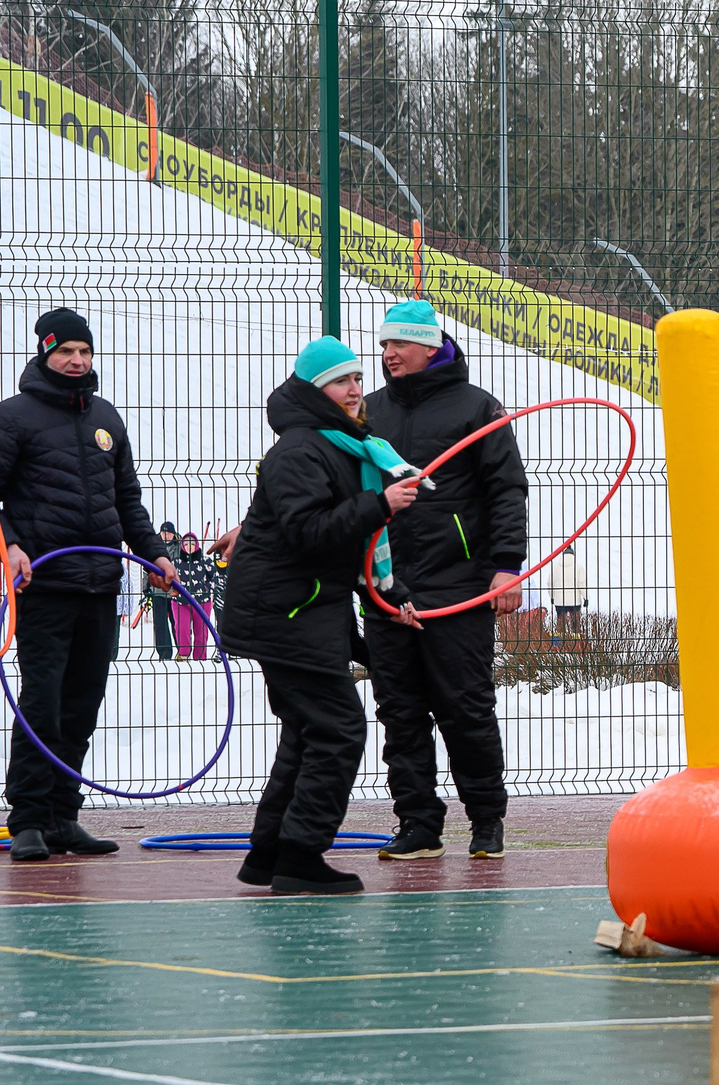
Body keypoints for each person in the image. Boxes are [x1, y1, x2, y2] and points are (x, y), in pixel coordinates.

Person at [219, 339, 425, 894]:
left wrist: (392, 593)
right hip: (285, 611)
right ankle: (302, 854)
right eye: (341, 382)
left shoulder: (344, 447)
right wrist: (381, 504)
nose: (355, 390)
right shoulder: (301, 449)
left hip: (302, 608)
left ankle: (270, 854)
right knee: (337, 730)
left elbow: (351, 549)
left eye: (358, 379)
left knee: (308, 733)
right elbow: (311, 533)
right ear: (315, 390)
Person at [0, 307, 173, 861]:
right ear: (45, 354)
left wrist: (155, 556)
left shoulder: (105, 417)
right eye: (65, 352)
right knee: (43, 702)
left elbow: (127, 500)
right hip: (45, 586)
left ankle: (62, 817)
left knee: (82, 704)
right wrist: (12, 546)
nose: (77, 361)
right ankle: (26, 818)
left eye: (84, 352)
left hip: (100, 583)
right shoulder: (14, 417)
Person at [363, 301, 526, 862]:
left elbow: (507, 491)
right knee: (399, 712)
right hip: (386, 589)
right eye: (383, 346)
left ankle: (486, 821)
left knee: (466, 707)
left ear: (429, 347)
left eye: (398, 346)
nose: (388, 355)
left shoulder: (476, 407)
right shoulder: (368, 412)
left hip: (458, 586)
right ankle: (417, 823)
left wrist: (506, 568)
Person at [171, 532, 218, 659]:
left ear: (196, 545)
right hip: (181, 602)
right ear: (182, 545)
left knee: (201, 632)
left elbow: (215, 577)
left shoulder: (205, 561)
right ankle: (184, 655)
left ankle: (200, 659)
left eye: (192, 543)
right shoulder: (175, 562)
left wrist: (208, 587)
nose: (189, 546)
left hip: (202, 602)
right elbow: (168, 578)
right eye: (186, 544)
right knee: (182, 629)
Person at [147, 520, 178, 658]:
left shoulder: (179, 547)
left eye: (169, 533)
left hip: (175, 592)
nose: (166, 535)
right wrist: (146, 588)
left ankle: (182, 650)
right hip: (158, 591)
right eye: (164, 532)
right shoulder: (153, 546)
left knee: (177, 622)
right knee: (160, 624)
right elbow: (146, 569)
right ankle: (164, 653)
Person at [548, 541, 588, 637]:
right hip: (574, 601)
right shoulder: (578, 567)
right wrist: (586, 597)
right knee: (575, 624)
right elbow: (582, 583)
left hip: (559, 601)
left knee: (561, 624)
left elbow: (550, 583)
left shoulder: (556, 567)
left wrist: (552, 596)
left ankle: (561, 645)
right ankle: (576, 642)